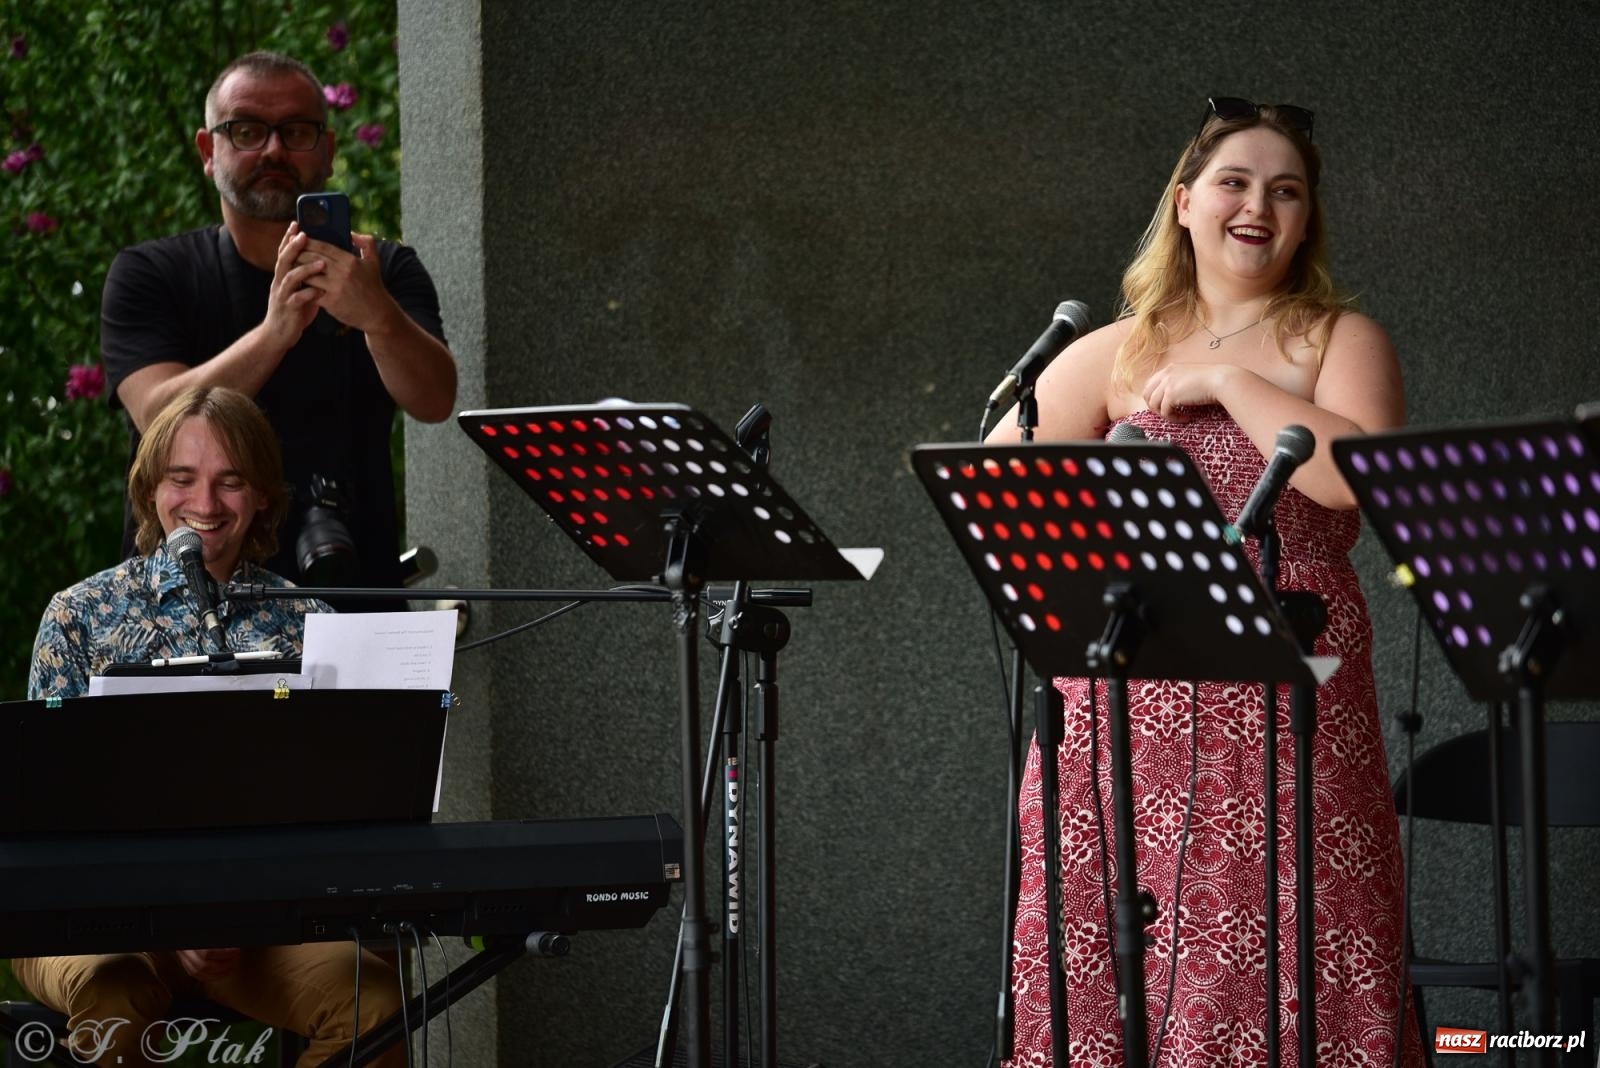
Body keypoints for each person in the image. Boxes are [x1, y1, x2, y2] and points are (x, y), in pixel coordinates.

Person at [990, 98, 1420, 1066]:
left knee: (1289, 912)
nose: (1256, 205)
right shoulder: (1111, 348)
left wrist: (1228, 385)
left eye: (1286, 190)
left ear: (1307, 218)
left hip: (1287, 665)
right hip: (1121, 690)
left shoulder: (1334, 337)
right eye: (1233, 182)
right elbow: (1002, 488)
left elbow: (1356, 476)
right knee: (1111, 926)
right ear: (1183, 203)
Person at [20, 387, 406, 1068]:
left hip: (259, 925)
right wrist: (170, 921)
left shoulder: (307, 620)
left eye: (230, 480)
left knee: (374, 1004)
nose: (205, 502)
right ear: (149, 489)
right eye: (182, 478)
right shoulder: (79, 615)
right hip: (93, 920)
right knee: (114, 992)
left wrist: (243, 913)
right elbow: (49, 822)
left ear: (262, 494)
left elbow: (337, 811)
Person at [101, 50, 455, 595]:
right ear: (206, 150)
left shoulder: (382, 271)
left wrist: (378, 316)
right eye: (245, 130)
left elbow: (435, 399)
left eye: (296, 131)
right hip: (179, 608)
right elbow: (158, 417)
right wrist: (276, 333)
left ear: (329, 150)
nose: (272, 149)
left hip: (350, 597)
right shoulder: (151, 273)